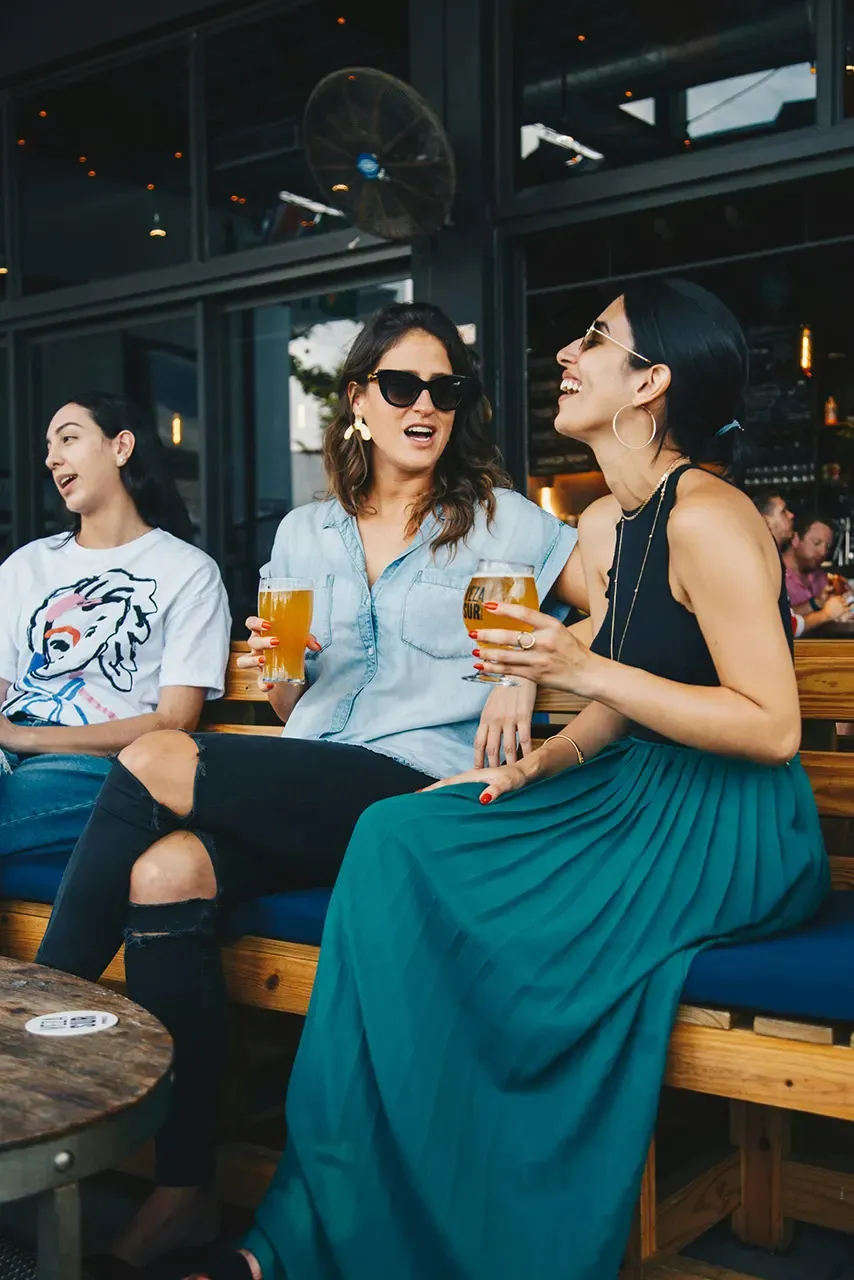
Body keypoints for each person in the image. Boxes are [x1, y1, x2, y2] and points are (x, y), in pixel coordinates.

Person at [205, 279, 827, 1280]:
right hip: (625, 788)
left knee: (458, 899)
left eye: (593, 338)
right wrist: (536, 759)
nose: (567, 354)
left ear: (648, 382)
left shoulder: (707, 515)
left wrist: (574, 668)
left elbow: (769, 726)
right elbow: (625, 691)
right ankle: (318, 1219)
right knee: (396, 835)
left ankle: (455, 1226)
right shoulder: (598, 527)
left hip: (727, 825)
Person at [34, 303, 585, 1269]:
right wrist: (284, 671)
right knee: (164, 875)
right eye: (403, 386)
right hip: (320, 770)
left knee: (154, 755)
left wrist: (521, 670)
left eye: (445, 389)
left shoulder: (504, 519)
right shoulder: (304, 533)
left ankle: (42, 1032)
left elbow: (620, 597)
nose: (427, 405)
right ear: (360, 401)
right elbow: (291, 702)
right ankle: (186, 1189)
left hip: (418, 791)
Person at [0, 392, 230, 860]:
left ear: (121, 447)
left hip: (96, 767)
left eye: (68, 438)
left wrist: (25, 737)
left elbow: (175, 720)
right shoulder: (27, 565)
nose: (52, 458)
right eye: (49, 447)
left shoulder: (187, 571)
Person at [752, 492, 846, 635]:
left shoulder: (772, 561)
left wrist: (818, 603)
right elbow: (783, 626)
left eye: (827, 546)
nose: (791, 515)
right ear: (767, 522)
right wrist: (825, 614)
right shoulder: (760, 564)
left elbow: (784, 616)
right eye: (783, 512)